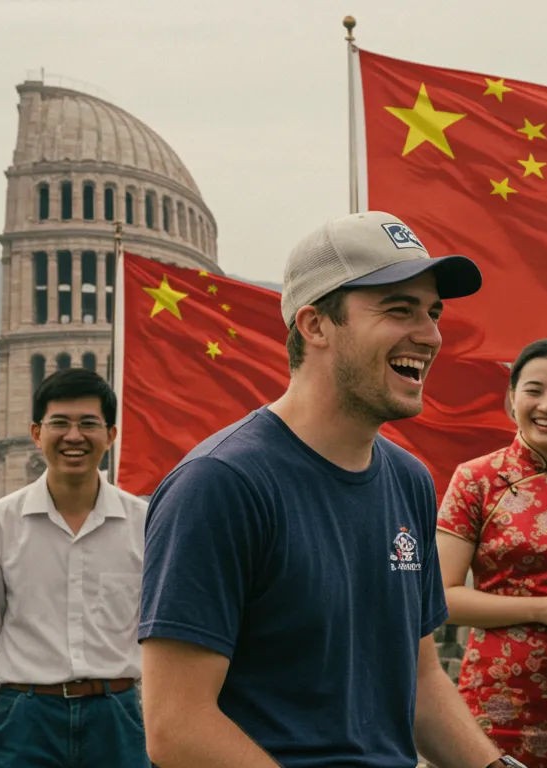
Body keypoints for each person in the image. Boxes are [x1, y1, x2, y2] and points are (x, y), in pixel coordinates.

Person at [137, 211, 521, 768]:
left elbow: (417, 679)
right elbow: (176, 725)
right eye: (399, 309)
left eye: (432, 311)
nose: (431, 334)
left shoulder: (409, 480)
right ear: (315, 325)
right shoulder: (220, 485)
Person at [437, 338, 547, 767]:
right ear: (511, 397)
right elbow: (441, 598)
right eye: (534, 390)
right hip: (494, 700)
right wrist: (541, 609)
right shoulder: (476, 480)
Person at [0, 368, 149, 767]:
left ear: (111, 435)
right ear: (36, 433)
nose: (74, 436)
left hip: (118, 715)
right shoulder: (1, 523)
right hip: (24, 716)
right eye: (59, 423)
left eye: (88, 424)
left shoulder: (146, 523)